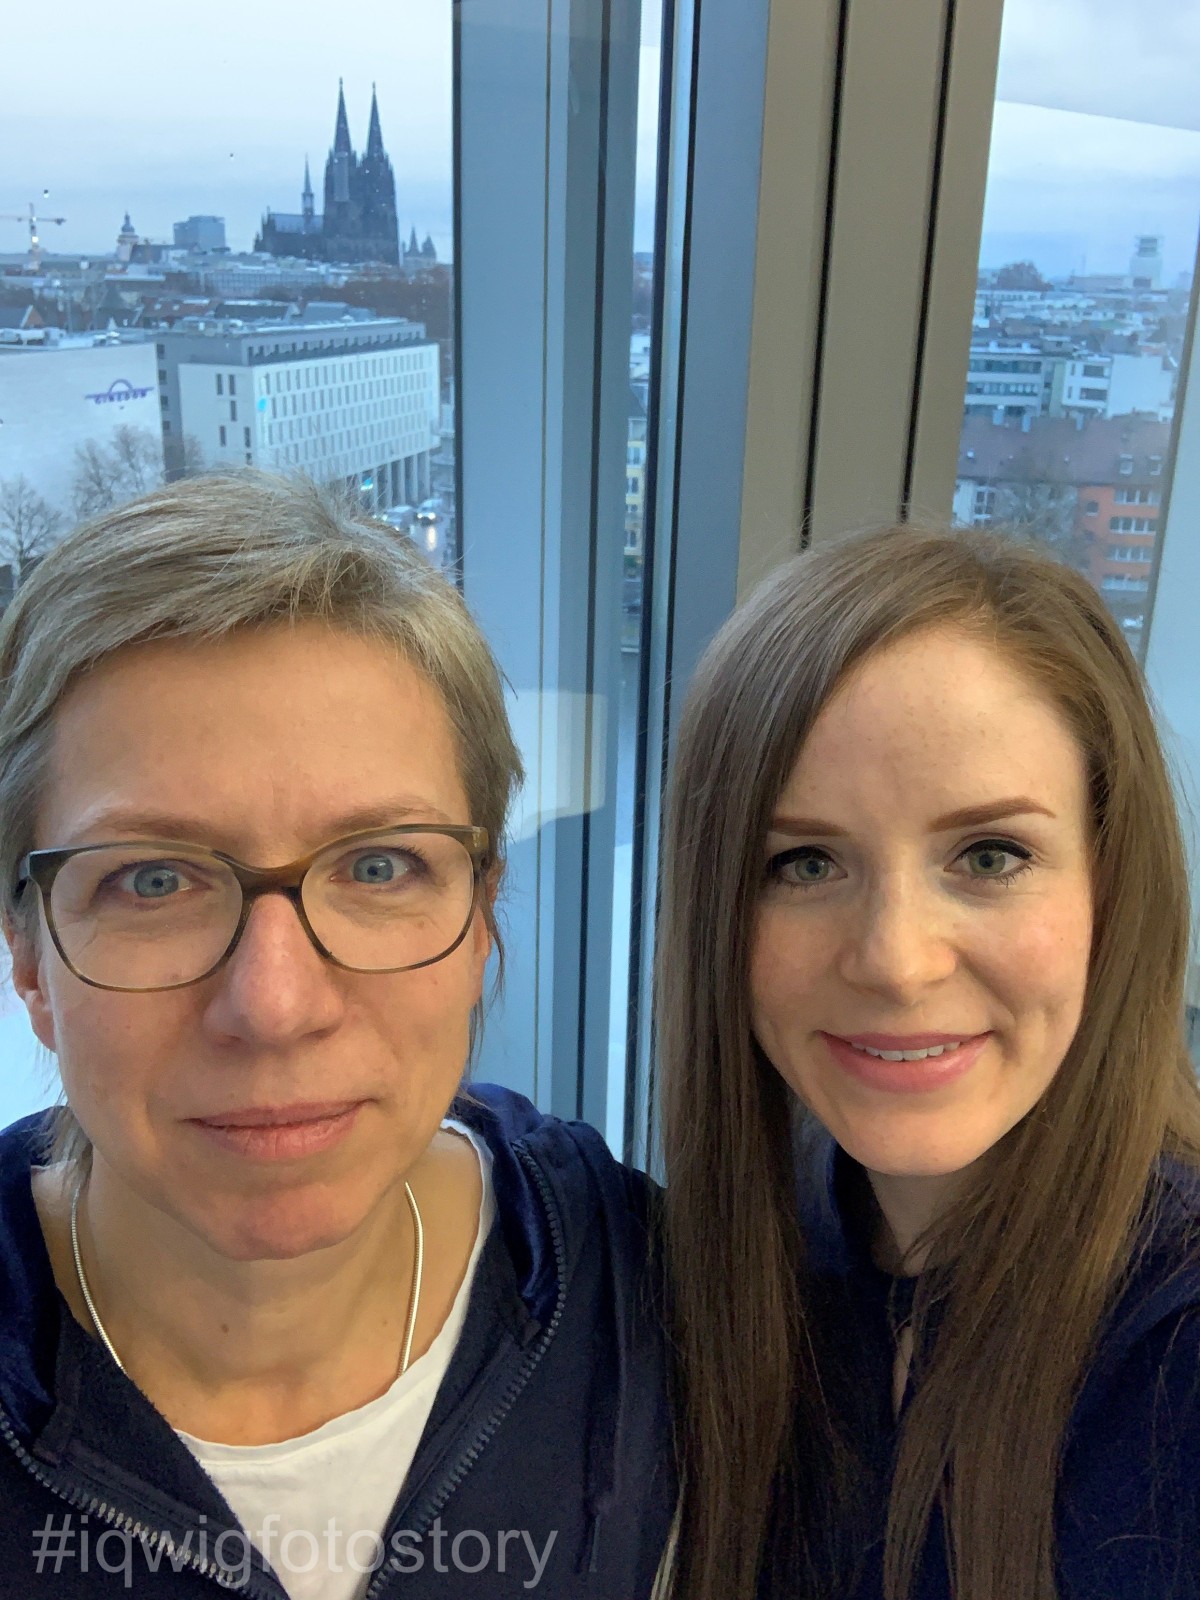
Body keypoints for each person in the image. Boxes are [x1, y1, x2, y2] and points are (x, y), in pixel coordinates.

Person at [0, 472, 674, 1598]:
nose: (274, 1005)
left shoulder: (643, 1297)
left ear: (480, 924)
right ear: (29, 956)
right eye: (153, 879)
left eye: (378, 866)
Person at [656, 523, 1200, 1600]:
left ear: (1111, 885)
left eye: (990, 855)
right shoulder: (721, 1264)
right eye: (805, 862)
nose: (897, 962)